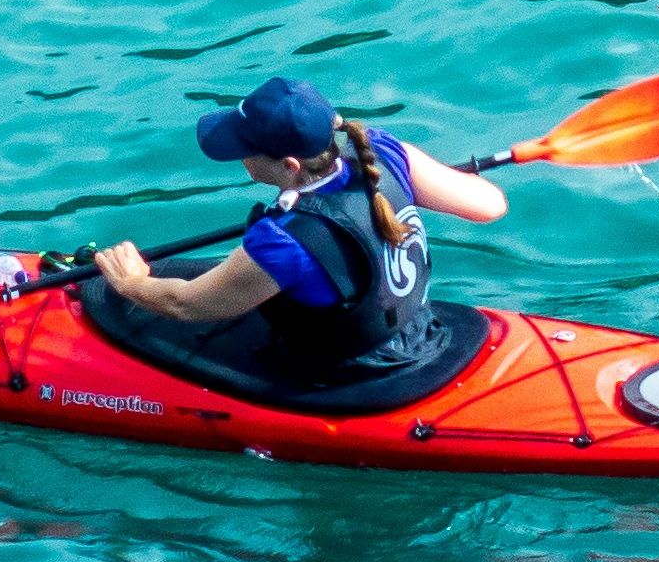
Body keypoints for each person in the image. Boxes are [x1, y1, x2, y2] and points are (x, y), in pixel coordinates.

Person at [89, 75, 505, 392]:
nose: (239, 158)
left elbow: (185, 305)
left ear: (289, 166)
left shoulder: (286, 239)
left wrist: (132, 283)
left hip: (353, 374)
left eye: (244, 150)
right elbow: (490, 206)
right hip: (417, 331)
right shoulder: (383, 151)